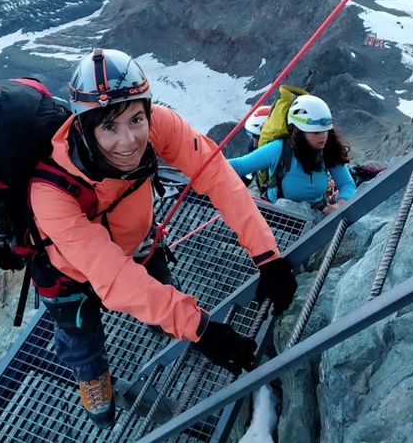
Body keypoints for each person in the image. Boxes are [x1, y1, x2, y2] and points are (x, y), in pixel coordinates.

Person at [28, 48, 297, 429]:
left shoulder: (159, 126)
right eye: (109, 127)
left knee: (158, 288)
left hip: (138, 240)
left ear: (147, 111)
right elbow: (114, 277)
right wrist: (200, 329)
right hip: (70, 270)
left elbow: (217, 177)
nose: (128, 141)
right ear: (84, 127)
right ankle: (94, 383)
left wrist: (267, 255)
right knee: (80, 335)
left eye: (136, 119)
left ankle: (161, 323)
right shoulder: (50, 191)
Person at [228, 94, 356, 214]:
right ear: (298, 131)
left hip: (317, 214)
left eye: (325, 131)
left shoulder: (328, 149)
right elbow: (240, 166)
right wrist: (210, 164)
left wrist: (339, 205)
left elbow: (347, 184)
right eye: (315, 132)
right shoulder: (279, 149)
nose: (323, 137)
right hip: (279, 217)